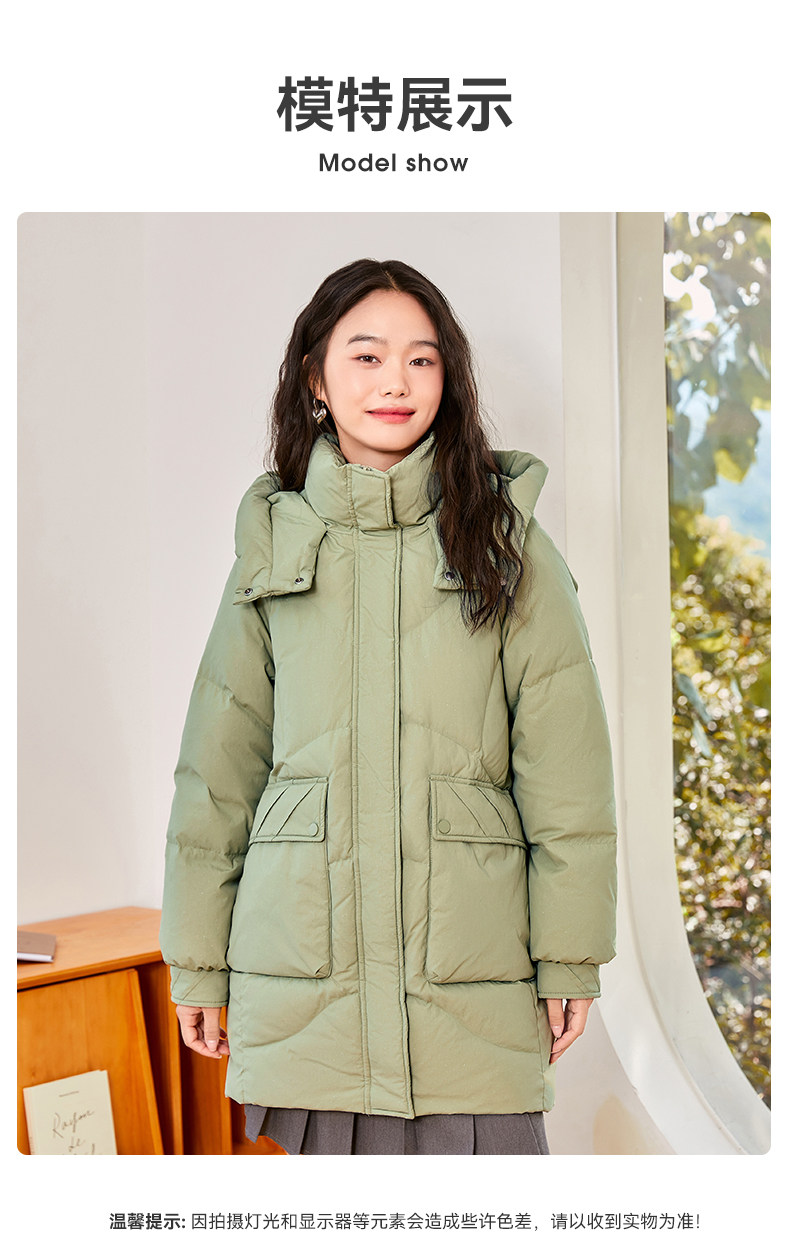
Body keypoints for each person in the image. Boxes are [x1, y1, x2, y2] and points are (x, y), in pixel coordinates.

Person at [159, 258, 617, 1156]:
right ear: (315, 379)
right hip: (306, 973)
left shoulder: (505, 546)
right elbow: (216, 775)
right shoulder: (273, 550)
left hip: (469, 975)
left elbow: (568, 772)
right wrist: (199, 960)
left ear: (450, 379)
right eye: (366, 357)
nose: (397, 382)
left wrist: (570, 952)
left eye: (422, 359)